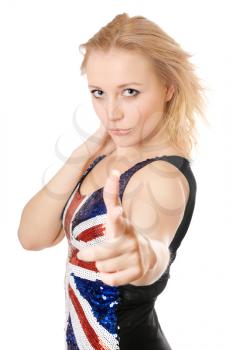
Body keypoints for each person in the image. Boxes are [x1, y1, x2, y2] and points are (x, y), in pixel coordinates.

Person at [18, 13, 208, 350]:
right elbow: (31, 236)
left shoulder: (162, 176)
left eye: (130, 92)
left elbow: (153, 251)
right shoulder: (101, 157)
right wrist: (86, 150)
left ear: (168, 87)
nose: (112, 112)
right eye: (99, 93)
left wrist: (146, 257)